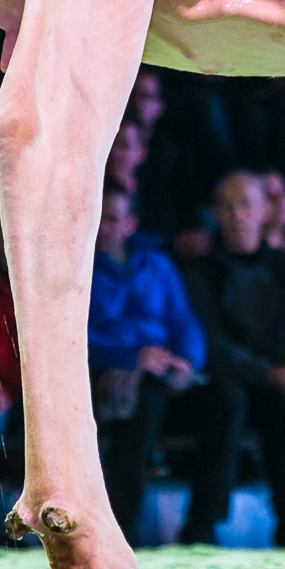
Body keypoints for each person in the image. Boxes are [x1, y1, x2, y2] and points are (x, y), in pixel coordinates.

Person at [179, 169, 285, 548]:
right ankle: (202, 528)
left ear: (264, 210)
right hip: (225, 380)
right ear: (215, 213)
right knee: (228, 402)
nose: (237, 215)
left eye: (246, 205)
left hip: (284, 380)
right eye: (228, 206)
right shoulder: (201, 272)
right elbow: (210, 343)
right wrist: (266, 373)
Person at [90, 182, 203, 535]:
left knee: (225, 402)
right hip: (105, 371)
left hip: (165, 372)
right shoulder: (74, 266)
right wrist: (131, 358)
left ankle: (203, 525)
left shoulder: (156, 264)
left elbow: (184, 321)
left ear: (131, 224)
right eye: (96, 215)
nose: (102, 226)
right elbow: (69, 339)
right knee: (144, 400)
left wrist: (187, 361)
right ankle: (126, 527)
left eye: (112, 218)